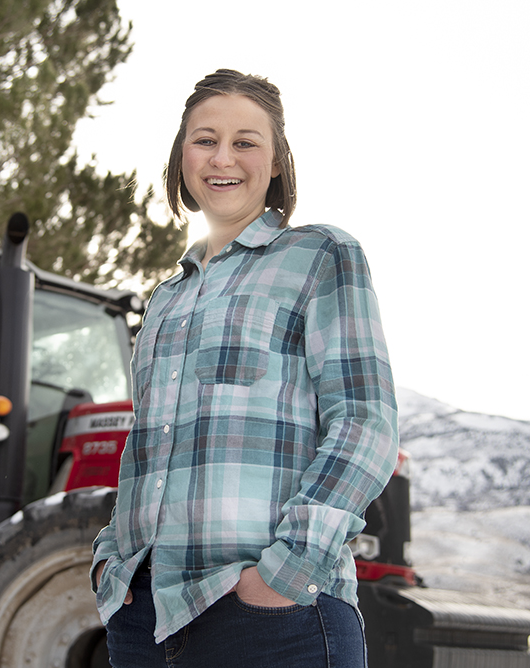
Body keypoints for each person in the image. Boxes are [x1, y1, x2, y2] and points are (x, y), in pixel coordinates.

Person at [90, 69, 399, 667]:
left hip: (270, 617)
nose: (222, 157)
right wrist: (111, 560)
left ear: (277, 161)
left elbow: (366, 423)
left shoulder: (320, 256)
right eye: (205, 139)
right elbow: (147, 448)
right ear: (181, 156)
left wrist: (285, 574)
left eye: (245, 141)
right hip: (145, 618)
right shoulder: (165, 299)